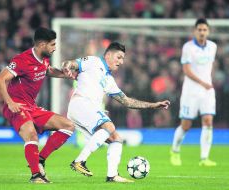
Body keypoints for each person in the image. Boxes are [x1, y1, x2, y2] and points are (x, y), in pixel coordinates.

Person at [62, 42, 170, 183]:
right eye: (119, 57)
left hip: (86, 109)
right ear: (108, 55)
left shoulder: (109, 80)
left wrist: (153, 105)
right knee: (109, 126)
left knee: (116, 138)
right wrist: (67, 66)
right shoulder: (93, 61)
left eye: (123, 59)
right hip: (81, 103)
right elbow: (71, 63)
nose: (121, 62)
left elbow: (127, 101)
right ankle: (79, 161)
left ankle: (112, 175)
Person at [0, 27, 75, 183]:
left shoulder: (44, 59)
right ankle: (36, 175)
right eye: (52, 44)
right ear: (42, 44)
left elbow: (47, 70)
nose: (54, 47)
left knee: (68, 125)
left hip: (32, 107)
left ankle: (40, 159)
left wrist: (64, 74)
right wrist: (9, 102)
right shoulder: (22, 60)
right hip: (17, 106)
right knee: (31, 135)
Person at [170, 18, 217, 167]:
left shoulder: (213, 47)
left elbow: (209, 67)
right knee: (186, 125)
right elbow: (186, 70)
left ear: (208, 31)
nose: (202, 32)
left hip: (207, 91)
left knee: (208, 121)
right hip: (191, 91)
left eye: (204, 30)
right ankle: (175, 150)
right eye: (199, 30)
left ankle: (204, 158)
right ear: (195, 31)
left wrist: (208, 82)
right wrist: (203, 82)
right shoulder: (188, 47)